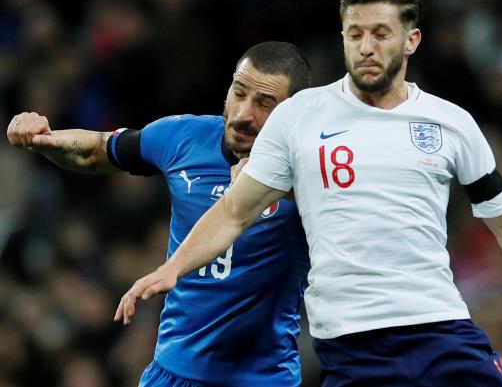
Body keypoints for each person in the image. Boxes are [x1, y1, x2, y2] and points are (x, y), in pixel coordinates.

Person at [115, 0, 502, 387]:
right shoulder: (300, 116)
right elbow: (233, 213)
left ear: (411, 40)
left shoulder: (451, 123)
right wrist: (173, 268)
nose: (366, 46)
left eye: (380, 33)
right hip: (352, 348)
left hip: (440, 331)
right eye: (355, 33)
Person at [6, 41, 312, 387]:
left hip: (262, 378)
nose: (244, 113)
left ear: (293, 114)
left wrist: (277, 180)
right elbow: (95, 150)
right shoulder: (184, 137)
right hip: (171, 373)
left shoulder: (310, 172)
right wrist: (45, 139)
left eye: (265, 103)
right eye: (239, 93)